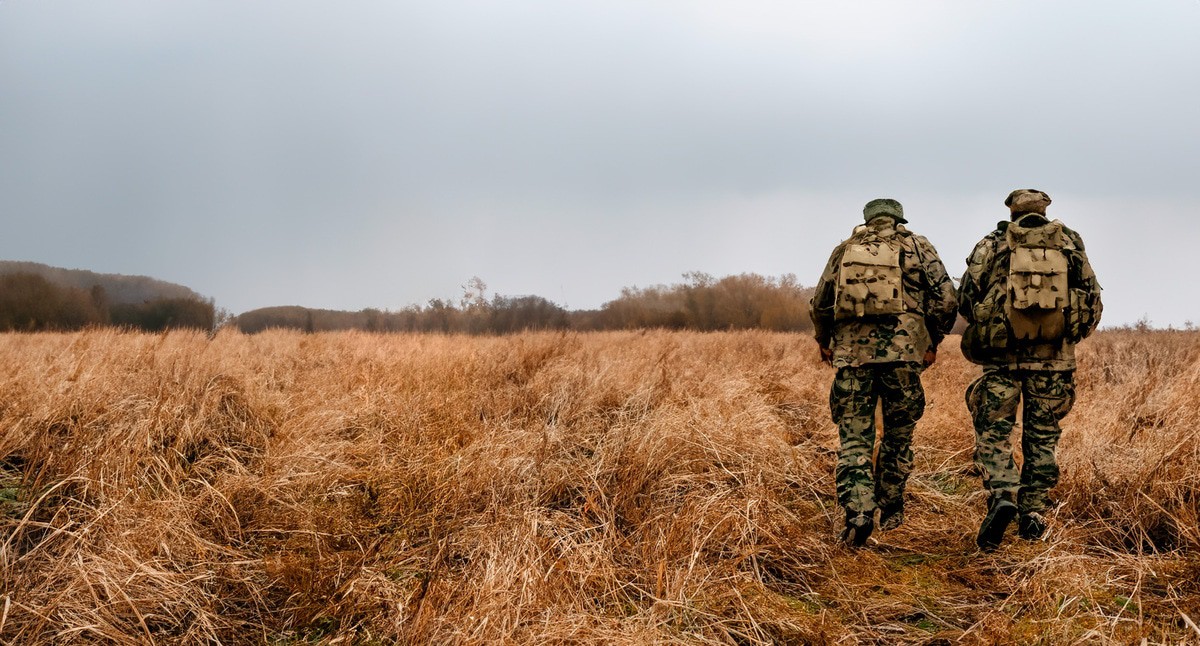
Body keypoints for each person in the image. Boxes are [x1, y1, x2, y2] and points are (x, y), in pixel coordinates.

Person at [958, 189, 1102, 551]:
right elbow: (1092, 297)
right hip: (1054, 360)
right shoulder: (1069, 243)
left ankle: (1003, 493)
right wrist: (1069, 336)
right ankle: (1033, 512)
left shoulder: (992, 244)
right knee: (1042, 436)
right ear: (1044, 210)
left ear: (1011, 211)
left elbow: (966, 297)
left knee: (994, 431)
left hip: (1002, 359)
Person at [809, 198, 958, 546]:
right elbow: (947, 299)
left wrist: (824, 340)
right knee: (898, 436)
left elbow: (821, 302)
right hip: (904, 357)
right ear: (899, 219)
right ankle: (890, 506)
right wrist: (931, 341)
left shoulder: (845, 249)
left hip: (853, 357)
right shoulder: (919, 247)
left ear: (867, 220)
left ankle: (859, 512)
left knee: (854, 438)